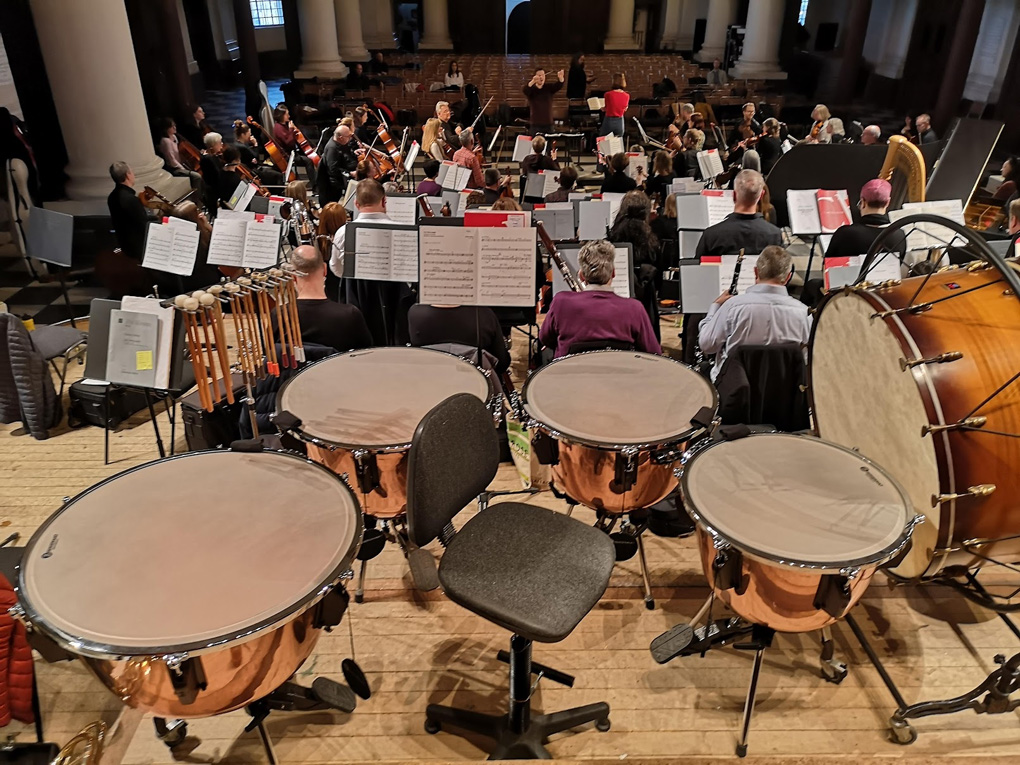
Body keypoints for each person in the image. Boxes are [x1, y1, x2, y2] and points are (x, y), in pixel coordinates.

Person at [698, 245, 811, 380]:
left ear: (756, 272)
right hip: (784, 394)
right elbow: (807, 359)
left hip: (735, 391)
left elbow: (707, 345)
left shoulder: (733, 307)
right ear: (788, 277)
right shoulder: (805, 314)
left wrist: (715, 307)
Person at [539, 239, 661, 358]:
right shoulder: (634, 308)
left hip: (571, 375)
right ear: (613, 273)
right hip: (618, 376)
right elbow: (653, 353)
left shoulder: (561, 302)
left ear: (581, 276)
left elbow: (545, 338)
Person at [330, 180, 412, 344]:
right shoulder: (402, 232)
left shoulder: (343, 233)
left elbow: (337, 269)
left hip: (356, 305)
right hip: (394, 308)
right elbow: (409, 274)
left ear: (356, 203)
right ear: (384, 201)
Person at [279, 245, 373, 353]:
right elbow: (366, 355)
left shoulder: (280, 315)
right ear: (324, 269)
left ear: (293, 277)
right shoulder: (349, 315)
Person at [696, 169, 782, 257]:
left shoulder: (711, 235)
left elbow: (696, 268)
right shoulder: (775, 235)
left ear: (733, 195)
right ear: (761, 195)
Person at [609, 190, 660, 338]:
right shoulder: (650, 234)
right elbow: (657, 263)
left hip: (620, 284)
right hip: (646, 290)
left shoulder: (615, 232)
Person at [408, 303, 511, 374]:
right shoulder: (483, 314)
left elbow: (406, 355)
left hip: (428, 389)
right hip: (475, 393)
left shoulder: (415, 313)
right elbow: (501, 364)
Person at [825, 179, 907, 261]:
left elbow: (827, 266)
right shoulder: (900, 235)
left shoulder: (844, 234)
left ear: (863, 202)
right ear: (888, 202)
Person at [107, 162, 150, 261]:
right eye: (132, 172)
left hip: (124, 244)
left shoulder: (112, 196)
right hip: (138, 249)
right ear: (127, 175)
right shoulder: (130, 199)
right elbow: (144, 225)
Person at [272, 105, 317, 187]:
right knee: (308, 161)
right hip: (287, 156)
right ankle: (314, 185)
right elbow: (289, 142)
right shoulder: (278, 128)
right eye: (287, 114)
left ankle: (314, 182)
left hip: (293, 152)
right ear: (281, 115)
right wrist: (291, 129)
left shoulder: (285, 125)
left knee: (309, 158)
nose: (289, 116)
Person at [318, 124, 360, 205]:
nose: (350, 138)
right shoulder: (332, 149)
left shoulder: (338, 143)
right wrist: (350, 173)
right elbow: (333, 169)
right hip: (331, 188)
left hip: (336, 183)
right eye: (348, 136)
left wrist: (354, 153)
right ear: (340, 137)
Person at [156, 118, 202, 190]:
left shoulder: (174, 137)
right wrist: (183, 168)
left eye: (175, 125)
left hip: (180, 164)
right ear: (166, 129)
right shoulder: (165, 141)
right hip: (174, 168)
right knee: (196, 176)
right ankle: (196, 197)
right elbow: (172, 160)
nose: (175, 127)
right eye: (172, 126)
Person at [522, 67, 564, 135]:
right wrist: (533, 81)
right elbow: (525, 90)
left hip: (548, 124)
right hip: (535, 124)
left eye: (543, 75)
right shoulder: (531, 90)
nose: (541, 77)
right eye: (539, 75)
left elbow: (558, 85)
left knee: (549, 144)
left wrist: (561, 78)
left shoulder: (548, 88)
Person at [200, 132, 226, 212]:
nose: (222, 144)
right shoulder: (207, 159)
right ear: (213, 145)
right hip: (214, 191)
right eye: (219, 142)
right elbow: (217, 176)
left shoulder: (212, 156)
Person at [600, 73, 629, 137]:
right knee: (617, 142)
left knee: (603, 140)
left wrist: (602, 108)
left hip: (609, 120)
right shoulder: (627, 96)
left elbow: (607, 108)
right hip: (620, 121)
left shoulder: (608, 94)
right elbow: (625, 109)